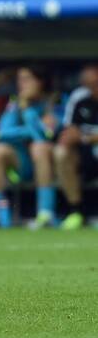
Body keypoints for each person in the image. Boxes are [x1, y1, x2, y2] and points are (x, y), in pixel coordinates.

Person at [0, 65, 59, 231]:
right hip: (22, 163)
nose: (21, 84)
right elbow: (1, 133)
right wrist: (27, 127)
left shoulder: (52, 101)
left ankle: (46, 213)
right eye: (19, 80)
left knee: (39, 147)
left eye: (26, 79)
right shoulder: (15, 102)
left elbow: (45, 136)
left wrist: (27, 111)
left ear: (40, 82)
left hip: (49, 164)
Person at [54, 64, 98, 230]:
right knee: (61, 152)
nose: (94, 87)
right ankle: (76, 211)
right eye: (90, 84)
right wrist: (85, 138)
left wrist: (86, 137)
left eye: (97, 82)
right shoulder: (80, 97)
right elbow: (69, 131)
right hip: (86, 154)